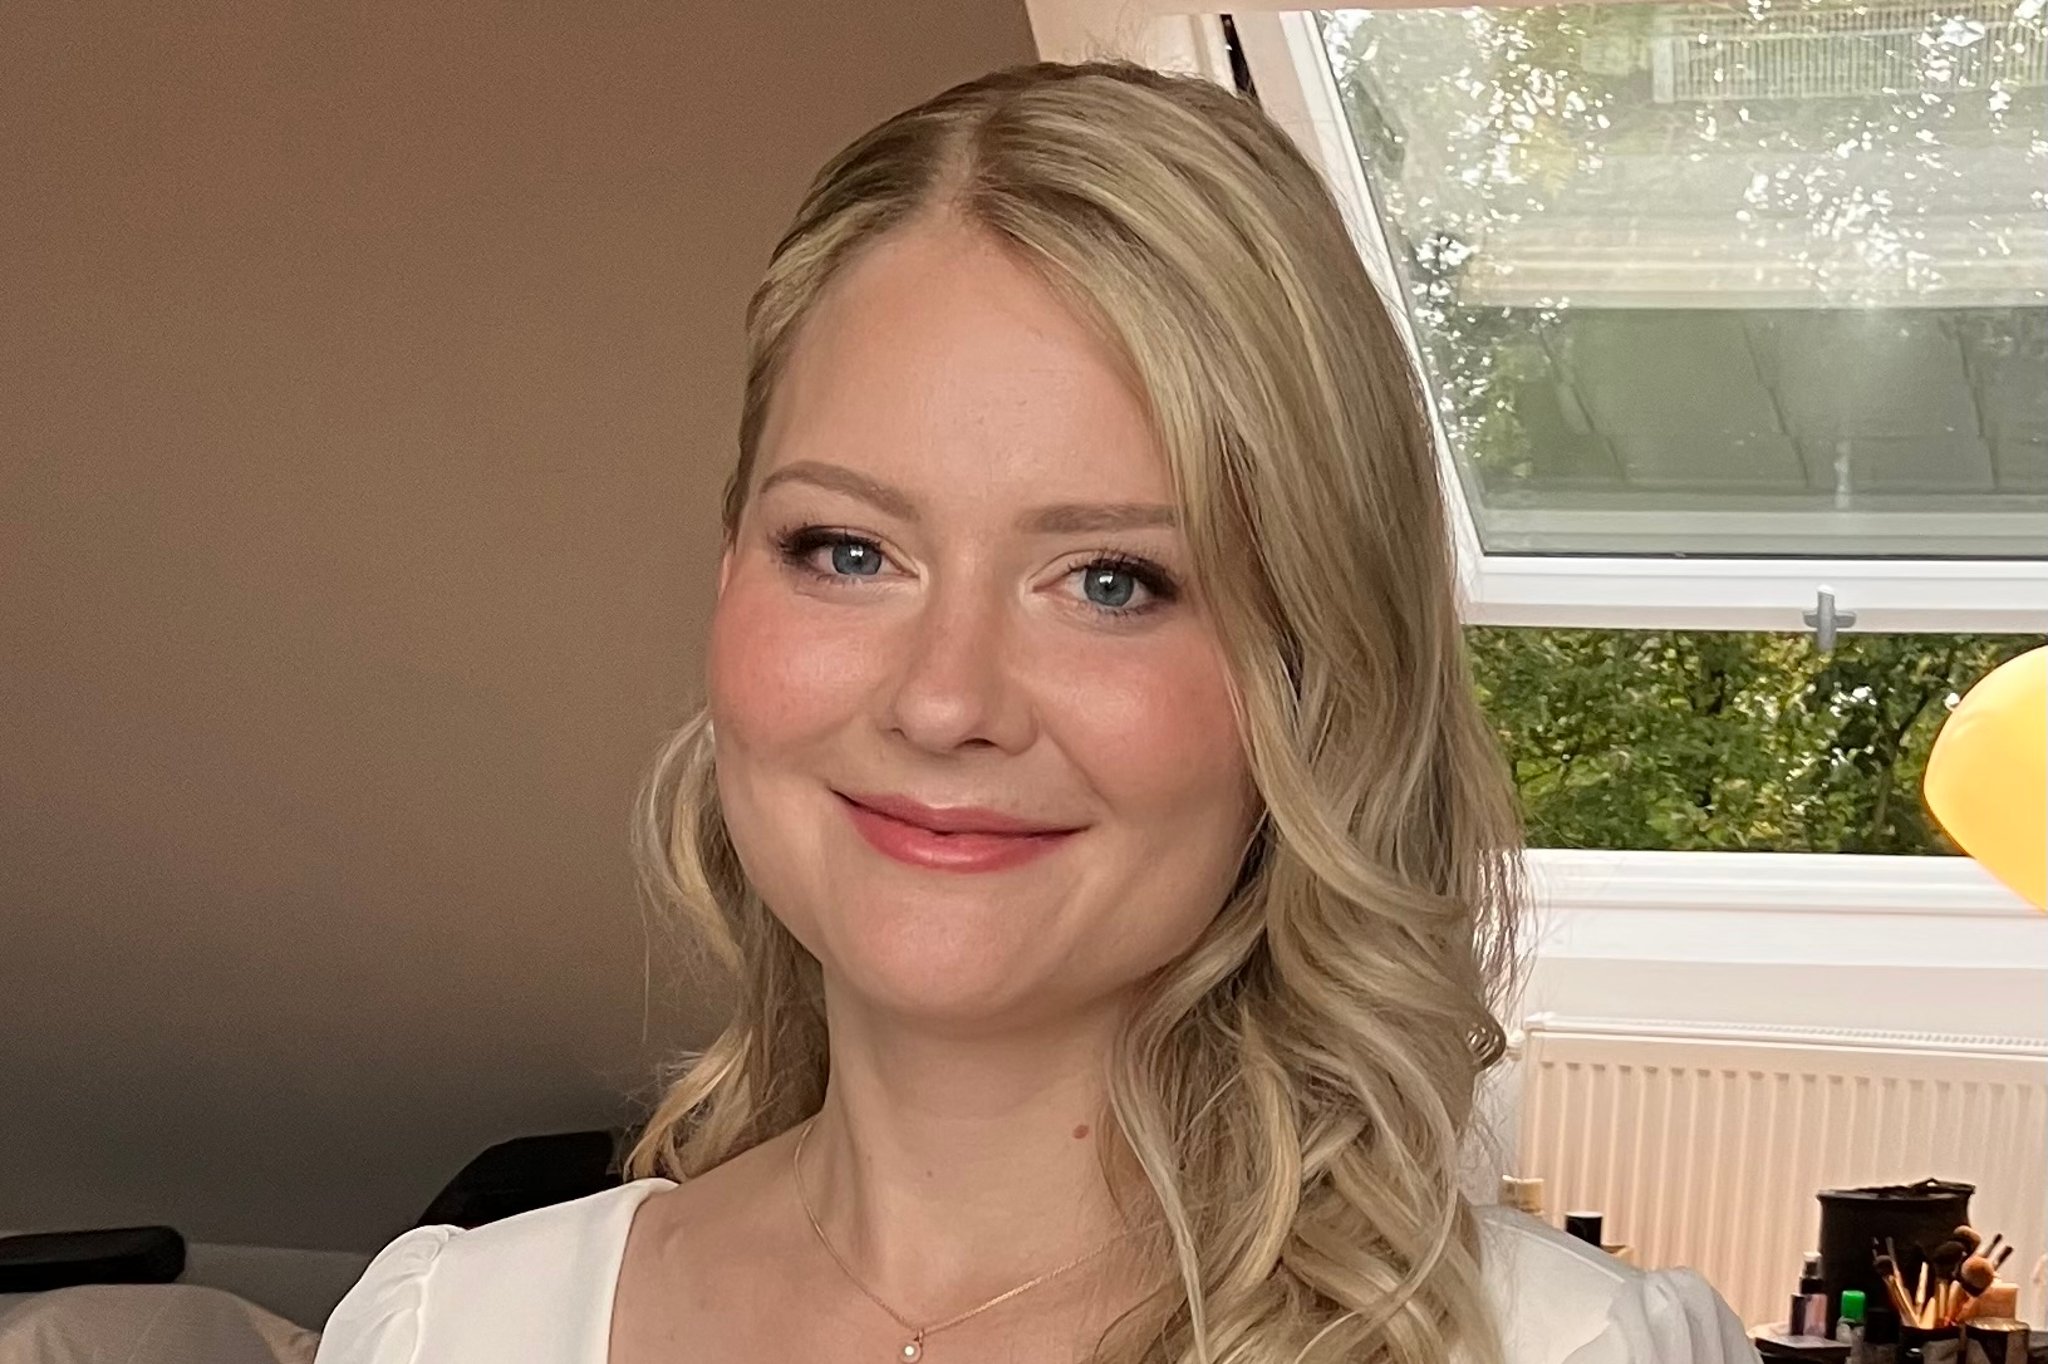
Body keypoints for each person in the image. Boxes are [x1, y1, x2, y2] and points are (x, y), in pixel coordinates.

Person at [313, 59, 1758, 1364]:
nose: (945, 700)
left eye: (1112, 581)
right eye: (849, 551)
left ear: (1315, 674)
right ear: (731, 571)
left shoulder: (1567, 1349)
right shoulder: (448, 1329)